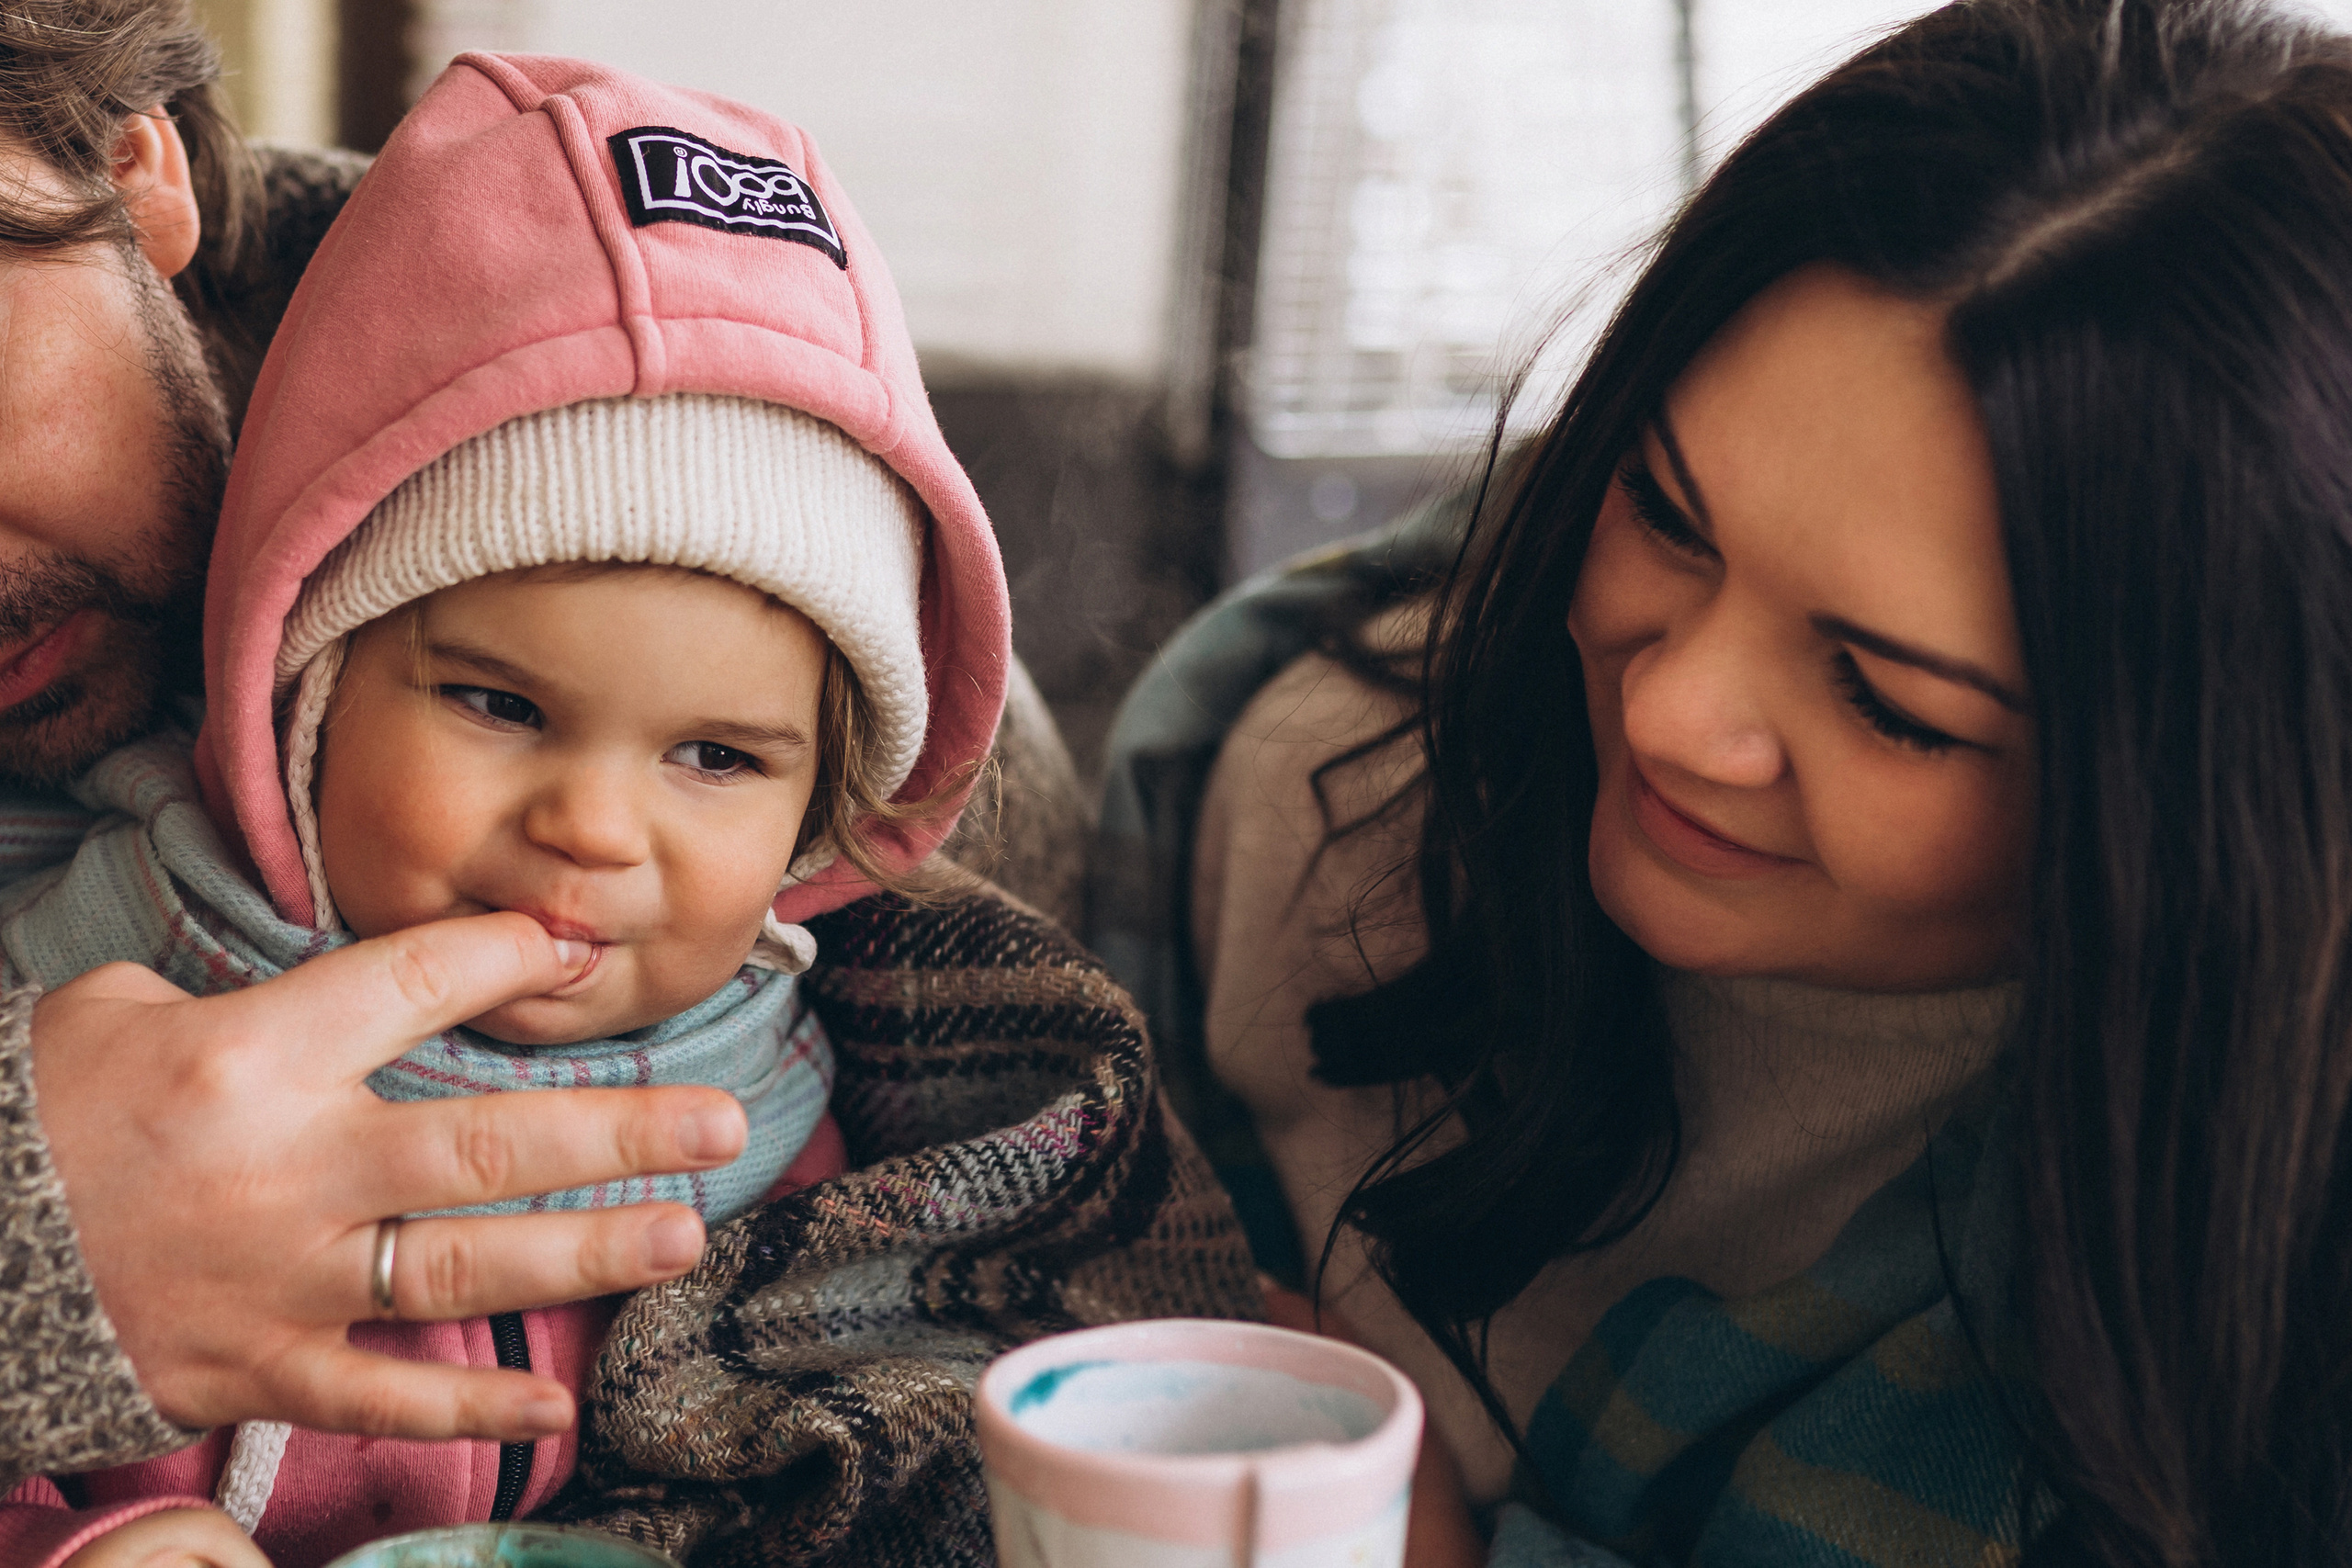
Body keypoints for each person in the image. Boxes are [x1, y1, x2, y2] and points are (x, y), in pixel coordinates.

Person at [1106, 0, 2352, 1560]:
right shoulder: (1314, 789)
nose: (1675, 712)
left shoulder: (2281, 1247)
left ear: (2217, 804)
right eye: (1663, 515)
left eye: (1886, 700)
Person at [6, 50, 1258, 1568]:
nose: (596, 828)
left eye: (721, 758)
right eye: (495, 706)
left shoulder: (858, 1063)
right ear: (304, 691)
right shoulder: (103, 935)